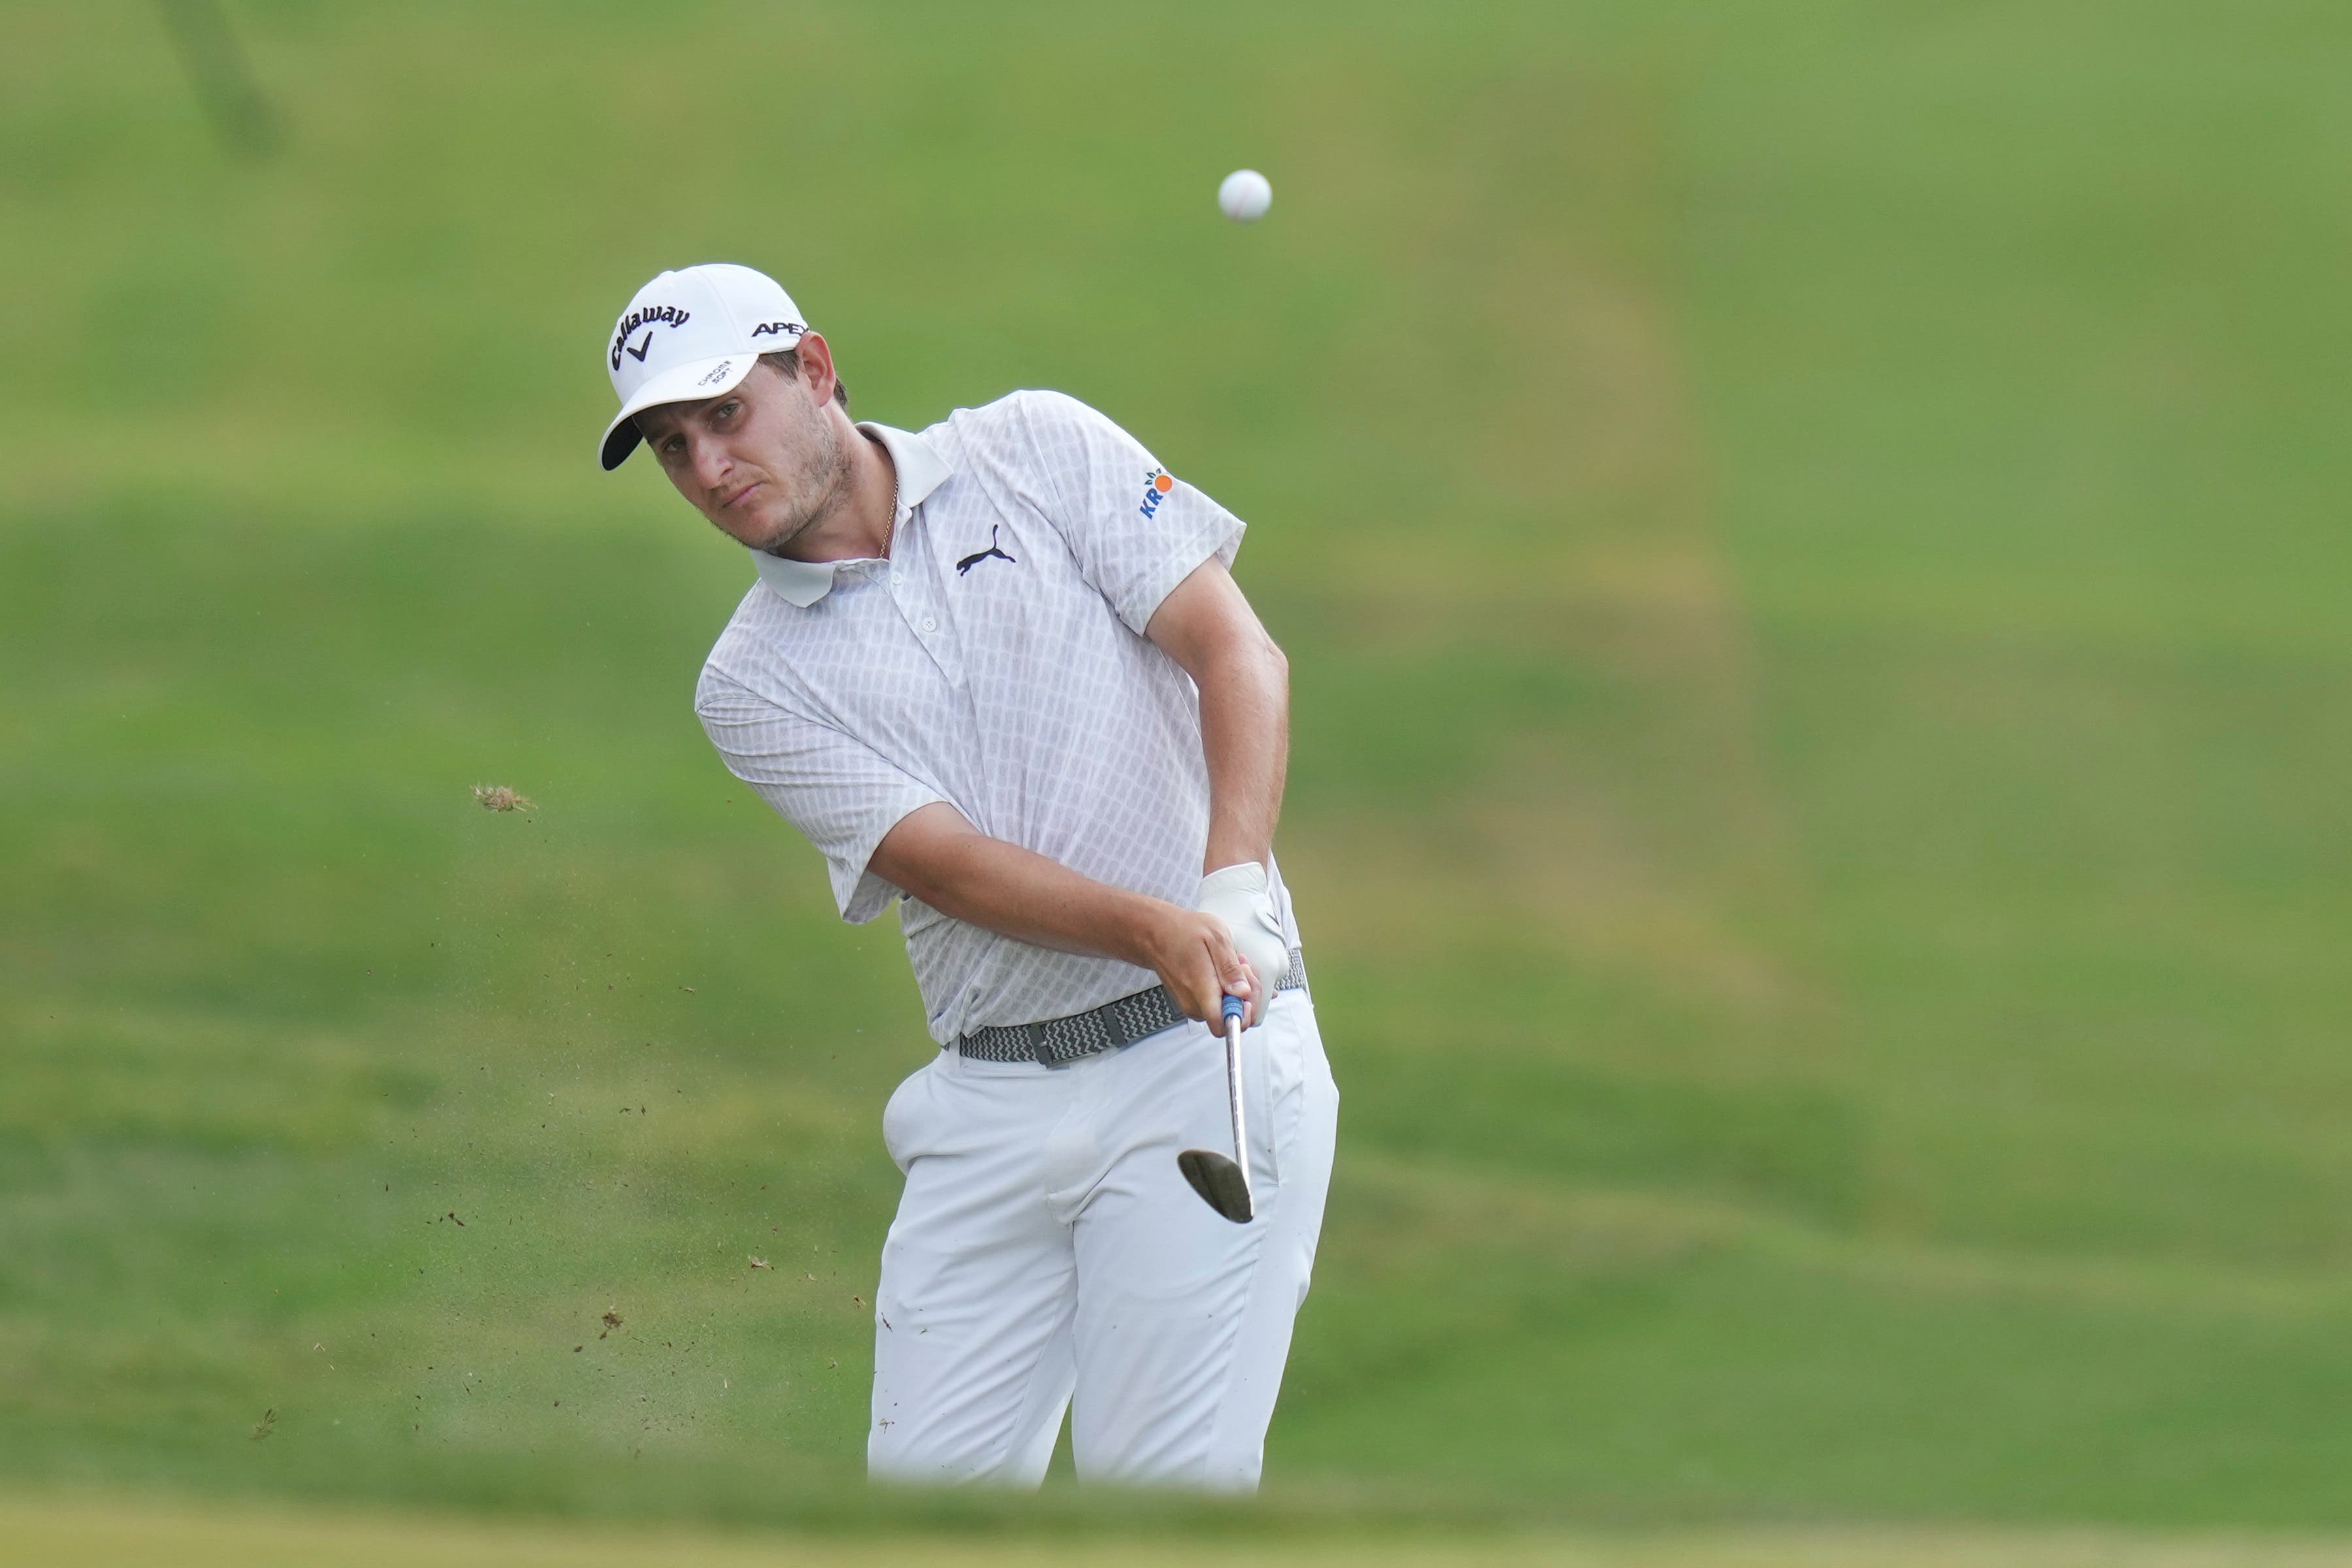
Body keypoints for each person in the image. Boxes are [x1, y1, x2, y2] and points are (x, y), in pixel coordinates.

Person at [595, 263, 1338, 1490]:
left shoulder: (1035, 449)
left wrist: (1235, 888)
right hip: (987, 1111)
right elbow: (946, 866)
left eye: (725, 415)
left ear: (816, 372)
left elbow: (1235, 647)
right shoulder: (750, 682)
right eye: (673, 448)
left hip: (1198, 1071)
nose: (709, 468)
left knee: (1157, 1505)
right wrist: (1159, 927)